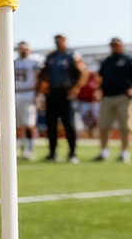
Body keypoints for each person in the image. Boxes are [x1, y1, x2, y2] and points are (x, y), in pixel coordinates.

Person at [37, 34, 89, 163]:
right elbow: (43, 74)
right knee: (51, 124)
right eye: (56, 40)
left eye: (60, 40)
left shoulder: (72, 55)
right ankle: (52, 152)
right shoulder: (51, 57)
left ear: (65, 41)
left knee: (69, 124)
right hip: (52, 93)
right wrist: (43, 90)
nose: (58, 42)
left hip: (66, 93)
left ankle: (72, 153)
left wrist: (76, 89)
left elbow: (84, 72)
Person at [94, 38, 132, 163]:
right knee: (104, 125)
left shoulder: (127, 60)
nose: (115, 47)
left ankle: (124, 152)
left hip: (123, 97)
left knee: (125, 126)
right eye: (113, 45)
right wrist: (99, 89)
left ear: (121, 46)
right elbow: (100, 77)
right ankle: (104, 151)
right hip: (107, 97)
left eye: (117, 45)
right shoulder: (107, 61)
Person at [14, 41, 43, 160]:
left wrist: (38, 95)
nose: (22, 51)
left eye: (24, 48)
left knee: (29, 123)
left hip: (29, 92)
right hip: (16, 93)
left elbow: (39, 78)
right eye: (20, 49)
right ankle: (22, 147)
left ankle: (30, 149)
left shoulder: (34, 61)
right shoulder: (14, 62)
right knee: (19, 123)